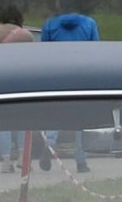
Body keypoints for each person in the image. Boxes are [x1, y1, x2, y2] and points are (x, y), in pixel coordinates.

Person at [39, 13, 100, 174]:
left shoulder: (50, 25)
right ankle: (81, 160)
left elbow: (42, 53)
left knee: (55, 114)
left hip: (57, 77)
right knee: (81, 119)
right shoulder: (89, 24)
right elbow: (96, 51)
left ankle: (50, 145)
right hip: (82, 77)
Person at [0, 24, 35, 172]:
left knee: (3, 125)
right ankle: (22, 157)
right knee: (23, 123)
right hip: (21, 87)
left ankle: (6, 160)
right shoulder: (25, 37)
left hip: (0, 88)